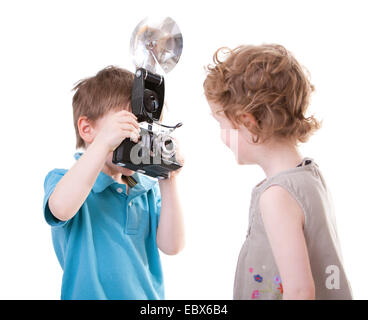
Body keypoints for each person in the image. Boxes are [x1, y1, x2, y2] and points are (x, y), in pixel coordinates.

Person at [203, 44, 352, 300]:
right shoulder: (310, 176)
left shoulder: (276, 196)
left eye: (222, 125)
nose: (221, 137)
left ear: (248, 123)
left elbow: (300, 292)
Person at [43, 66, 185, 299]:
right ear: (87, 129)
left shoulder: (146, 188)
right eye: (126, 127)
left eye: (143, 130)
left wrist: (167, 177)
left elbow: (172, 246)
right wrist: (104, 144)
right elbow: (60, 208)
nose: (136, 138)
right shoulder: (63, 180)